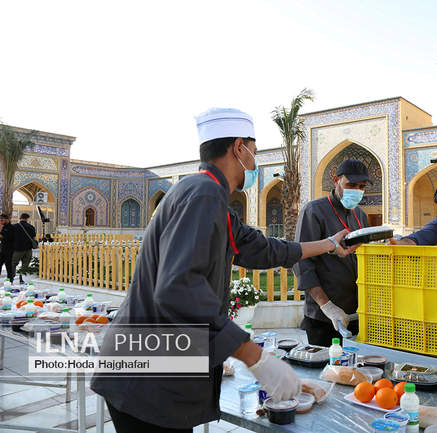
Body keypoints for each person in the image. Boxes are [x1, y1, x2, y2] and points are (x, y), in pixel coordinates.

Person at [91, 108, 358, 432]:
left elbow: (263, 248)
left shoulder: (206, 196)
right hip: (148, 376)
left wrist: (329, 243)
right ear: (238, 148)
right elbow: (178, 290)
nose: (256, 163)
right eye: (255, 153)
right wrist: (255, 357)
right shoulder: (202, 195)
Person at [293, 159, 370, 346]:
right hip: (324, 317)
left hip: (355, 315)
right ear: (336, 180)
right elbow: (301, 262)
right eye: (351, 185)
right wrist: (327, 306)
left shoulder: (360, 215)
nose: (357, 190)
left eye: (361, 186)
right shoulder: (314, 211)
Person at [12, 213, 36, 283]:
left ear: (20, 218)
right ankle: (22, 279)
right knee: (25, 265)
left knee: (13, 264)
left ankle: (11, 278)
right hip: (28, 249)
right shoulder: (31, 227)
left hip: (17, 250)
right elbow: (33, 238)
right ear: (27, 219)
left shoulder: (14, 227)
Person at [0, 214, 14, 282]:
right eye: (0, 220)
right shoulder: (3, 227)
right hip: (2, 250)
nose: (1, 221)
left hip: (9, 250)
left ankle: (10, 280)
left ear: (7, 219)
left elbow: (9, 238)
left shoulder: (11, 227)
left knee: (8, 266)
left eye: (2, 220)